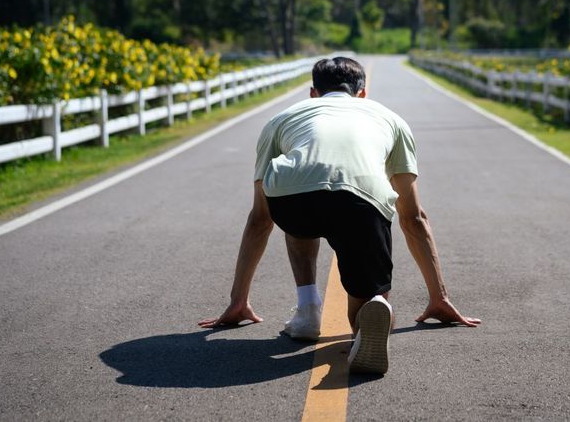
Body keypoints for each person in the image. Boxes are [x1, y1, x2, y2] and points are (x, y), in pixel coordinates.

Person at [199, 57, 480, 373]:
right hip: (361, 200)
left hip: (292, 201)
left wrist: (238, 300)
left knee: (298, 197)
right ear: (363, 94)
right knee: (366, 304)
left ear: (313, 94)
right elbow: (413, 218)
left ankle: (307, 311)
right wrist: (438, 296)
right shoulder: (391, 119)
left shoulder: (281, 119)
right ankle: (367, 318)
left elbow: (259, 220)